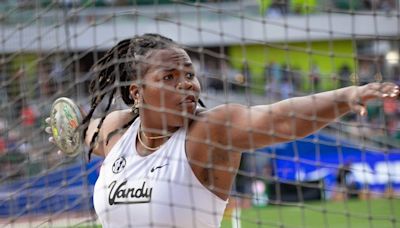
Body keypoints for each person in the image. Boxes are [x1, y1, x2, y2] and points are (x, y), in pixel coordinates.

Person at [47, 33, 399, 227]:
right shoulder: (116, 131)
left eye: (189, 74)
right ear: (137, 92)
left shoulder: (208, 132)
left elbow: (277, 119)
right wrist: (67, 129)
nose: (187, 85)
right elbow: (80, 132)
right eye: (169, 78)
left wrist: (346, 96)